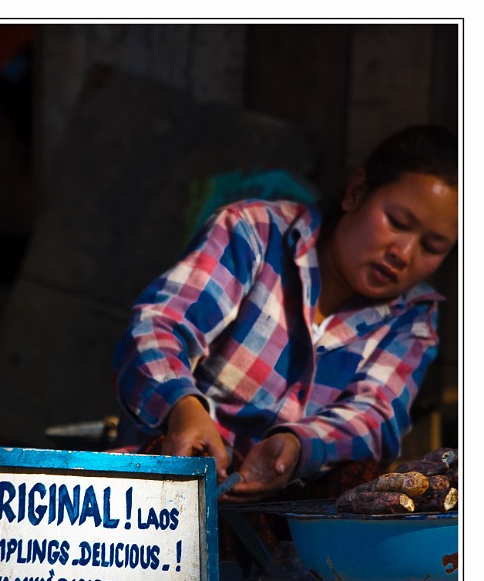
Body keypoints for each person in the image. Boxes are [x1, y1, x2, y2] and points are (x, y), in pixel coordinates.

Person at [111, 125, 458, 504]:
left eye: (432, 246)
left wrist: (299, 445)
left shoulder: (413, 320)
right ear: (356, 192)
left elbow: (373, 416)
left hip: (285, 511)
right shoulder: (252, 233)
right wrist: (182, 407)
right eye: (397, 223)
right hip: (166, 488)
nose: (403, 253)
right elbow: (159, 327)